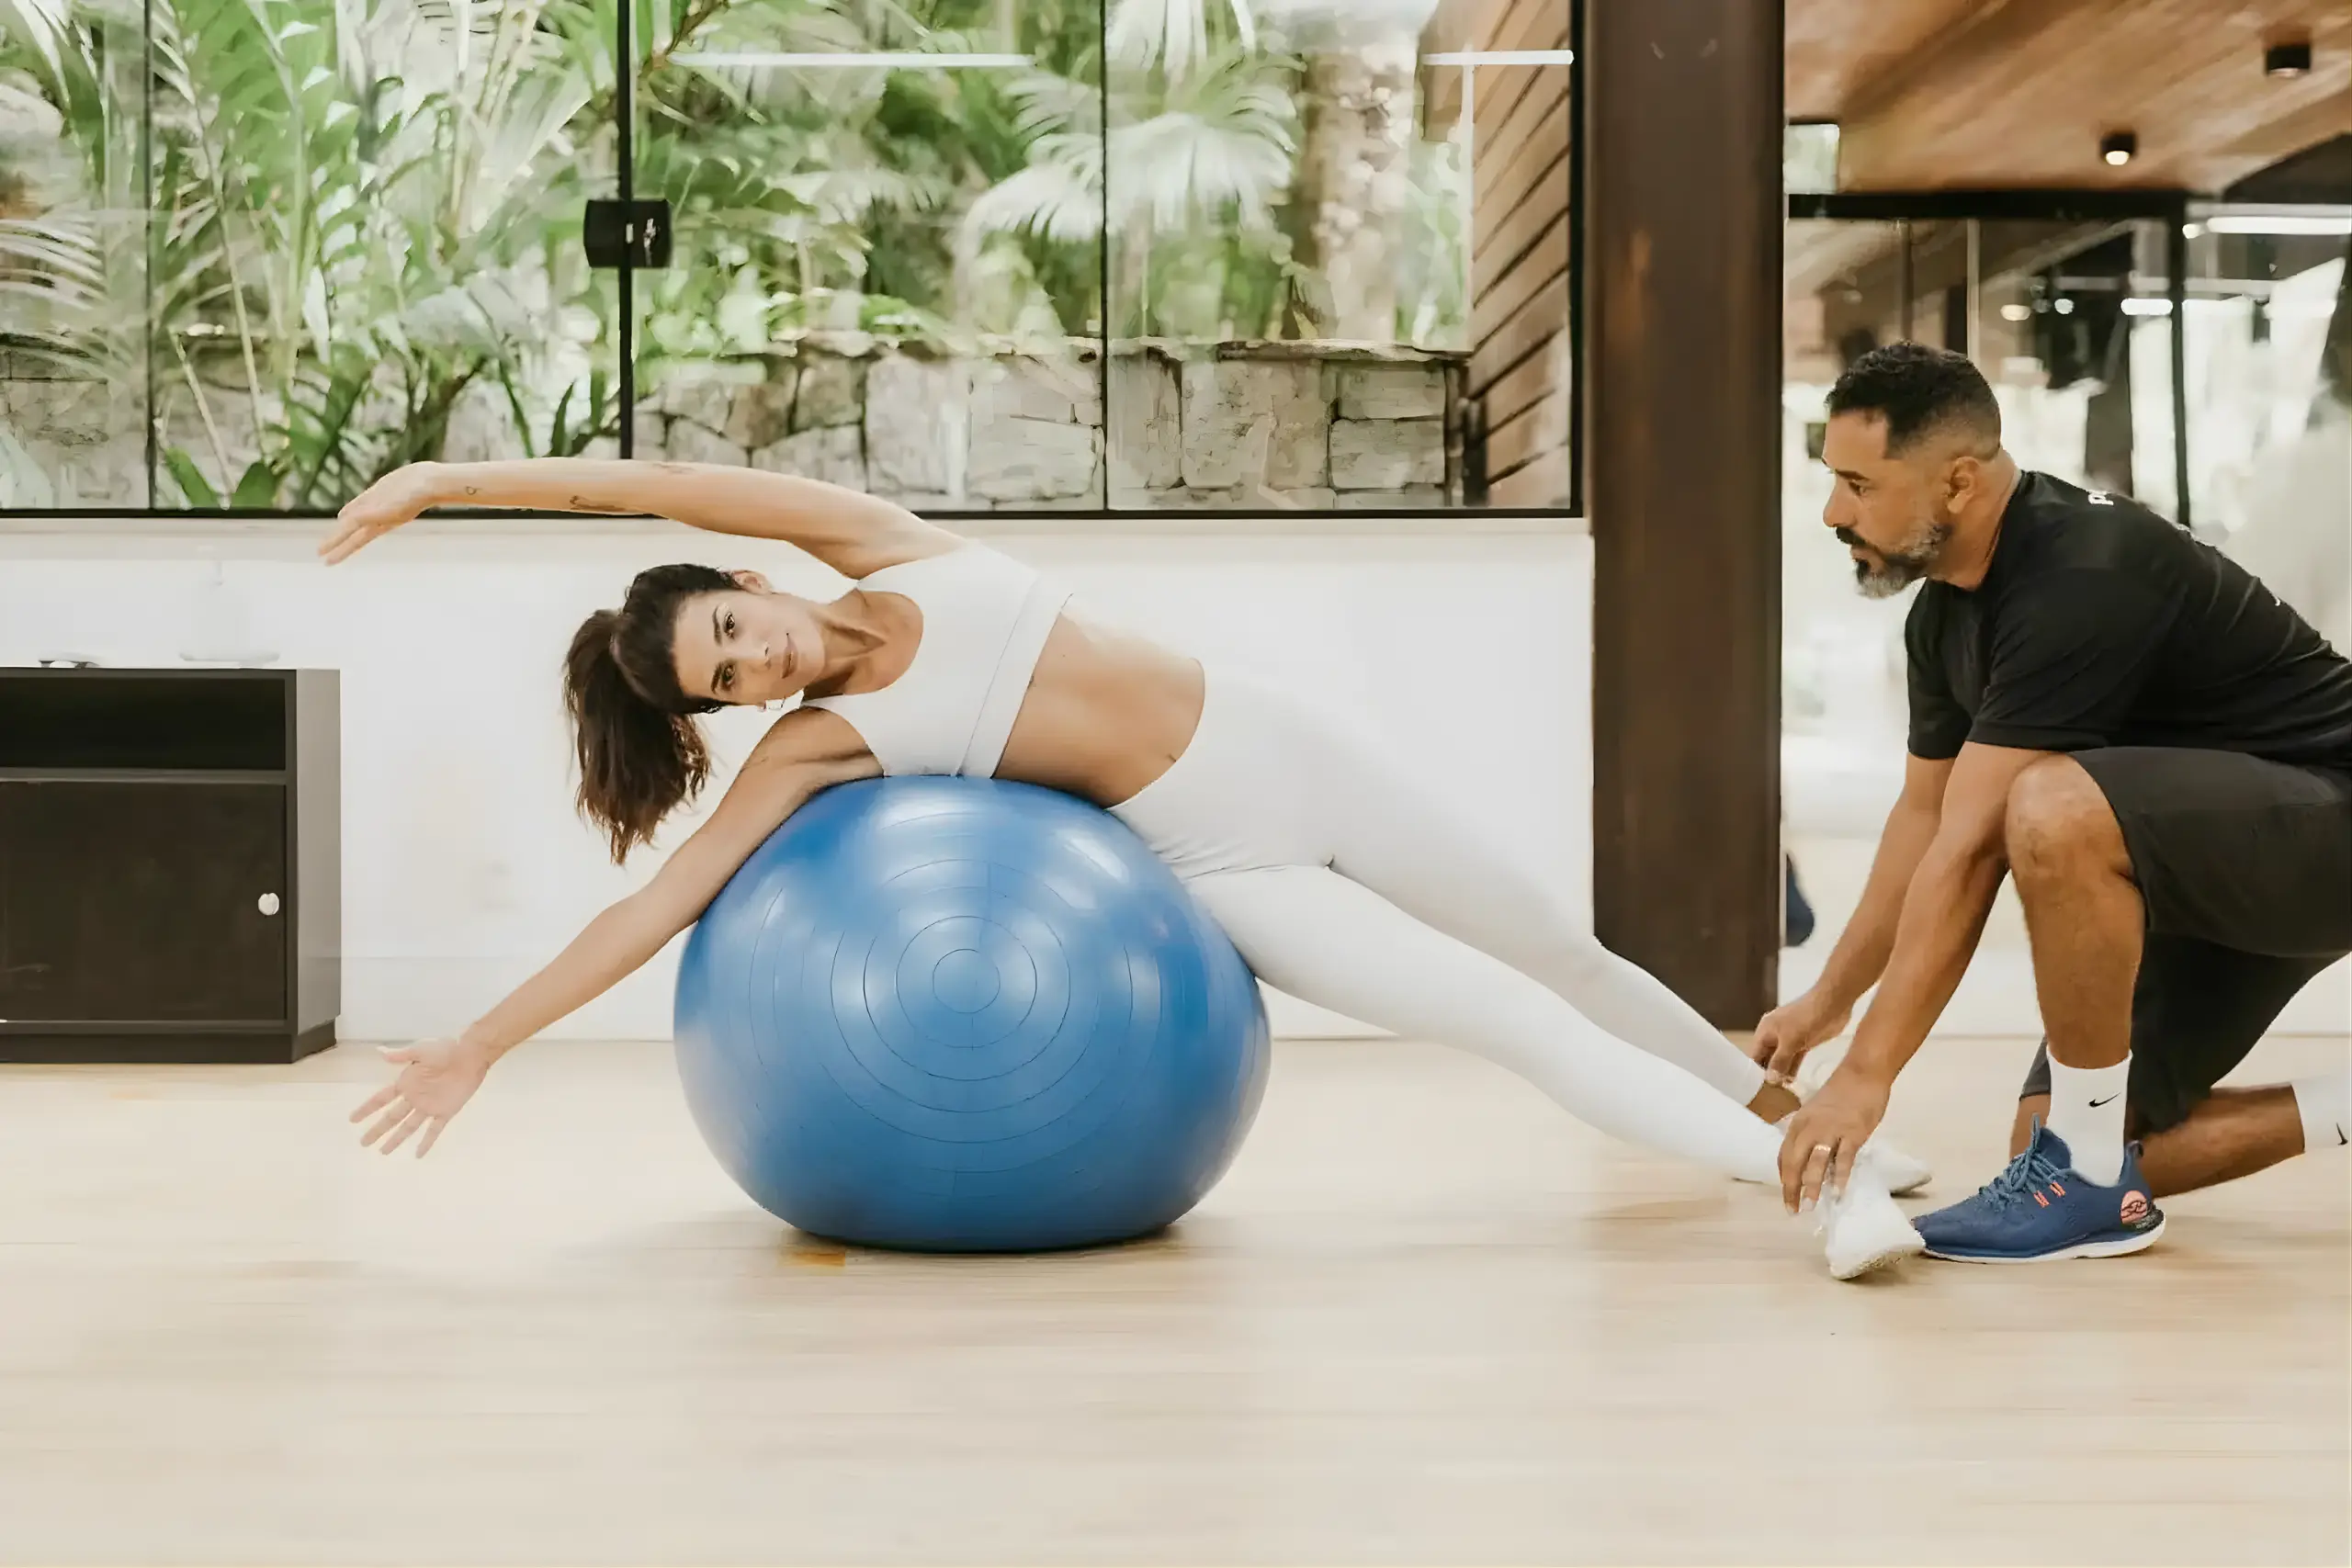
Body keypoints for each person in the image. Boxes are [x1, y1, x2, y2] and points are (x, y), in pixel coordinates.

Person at [319, 457, 1932, 1280]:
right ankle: (1828, 1195)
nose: (764, 662)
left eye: (736, 630)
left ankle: (1791, 1119)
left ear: (751, 578)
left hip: (1288, 746)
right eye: (733, 681)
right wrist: (481, 1041)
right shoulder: (820, 751)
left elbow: (643, 481)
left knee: (1567, 958)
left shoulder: (878, 542)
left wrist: (439, 486)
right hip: (1224, 863)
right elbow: (653, 907)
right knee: (1519, 1028)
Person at [1761, 342, 2352, 1263]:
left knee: (2047, 807)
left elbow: (1970, 850)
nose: (1836, 512)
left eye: (1858, 484)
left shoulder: (2081, 572)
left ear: (1958, 482)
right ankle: (2146, 1161)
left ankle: (2081, 1180)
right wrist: (1824, 1006)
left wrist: (1864, 1077)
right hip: (2208, 861)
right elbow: (1922, 825)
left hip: (2326, 826)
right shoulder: (1943, 617)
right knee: (2059, 1134)